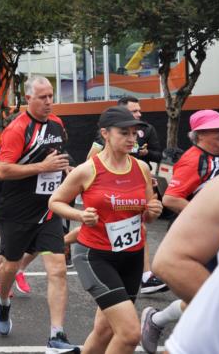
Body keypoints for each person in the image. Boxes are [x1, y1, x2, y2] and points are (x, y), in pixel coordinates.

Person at [50, 106, 162, 354]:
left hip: (132, 257)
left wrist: (153, 211)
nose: (132, 139)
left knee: (105, 330)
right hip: (95, 256)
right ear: (105, 134)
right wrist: (79, 214)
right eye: (124, 133)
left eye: (134, 133)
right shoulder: (88, 169)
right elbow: (55, 201)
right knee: (130, 333)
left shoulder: (141, 169)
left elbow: (149, 216)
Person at [138, 109, 219, 353]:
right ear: (200, 134)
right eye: (217, 129)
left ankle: (157, 320)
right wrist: (207, 217)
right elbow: (171, 198)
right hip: (199, 238)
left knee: (213, 295)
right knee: (212, 298)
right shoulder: (194, 159)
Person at [0, 76, 79, 353]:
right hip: (16, 208)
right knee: (9, 266)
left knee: (57, 268)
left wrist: (65, 168)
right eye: (42, 97)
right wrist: (42, 167)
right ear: (28, 98)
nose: (49, 102)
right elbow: (3, 170)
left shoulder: (57, 124)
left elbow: (59, 155)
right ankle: (3, 302)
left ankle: (57, 335)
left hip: (49, 208)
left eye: (51, 96)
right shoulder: (17, 129)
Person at [145, 168, 219, 353]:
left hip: (215, 246)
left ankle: (157, 319)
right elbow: (170, 198)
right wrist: (204, 210)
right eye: (216, 135)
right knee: (124, 331)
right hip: (203, 242)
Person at [86, 96, 165, 294]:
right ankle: (64, 244)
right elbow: (89, 161)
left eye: (139, 111)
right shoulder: (104, 139)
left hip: (134, 191)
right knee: (100, 227)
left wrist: (143, 168)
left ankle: (146, 276)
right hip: (108, 199)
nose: (138, 114)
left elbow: (158, 154)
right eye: (133, 111)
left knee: (140, 228)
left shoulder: (145, 131)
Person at [0, 138, 37, 298]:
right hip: (5, 202)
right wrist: (9, 172)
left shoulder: (39, 149)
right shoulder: (0, 148)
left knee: (38, 244)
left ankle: (19, 269)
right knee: (8, 246)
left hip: (33, 203)